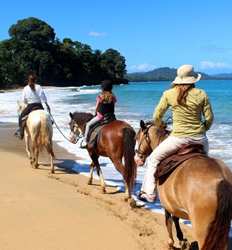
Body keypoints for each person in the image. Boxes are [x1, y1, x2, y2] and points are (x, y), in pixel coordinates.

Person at [137, 64, 214, 203]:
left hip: (178, 138)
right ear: (193, 80)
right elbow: (209, 119)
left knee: (153, 159)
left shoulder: (169, 94)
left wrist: (160, 125)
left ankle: (149, 193)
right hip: (200, 139)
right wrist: (203, 128)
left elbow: (157, 116)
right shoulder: (202, 94)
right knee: (208, 164)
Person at [80, 80, 117, 148]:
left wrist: (95, 113)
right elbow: (113, 106)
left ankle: (85, 141)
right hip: (111, 117)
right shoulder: (113, 97)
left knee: (88, 125)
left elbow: (97, 107)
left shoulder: (100, 96)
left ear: (102, 88)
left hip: (101, 117)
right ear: (111, 88)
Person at [15, 72, 51, 139]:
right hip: (39, 106)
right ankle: (51, 121)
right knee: (47, 115)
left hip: (30, 106)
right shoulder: (39, 87)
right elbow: (43, 98)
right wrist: (46, 105)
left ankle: (21, 132)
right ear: (35, 80)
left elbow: (23, 100)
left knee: (21, 117)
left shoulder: (25, 88)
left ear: (28, 80)